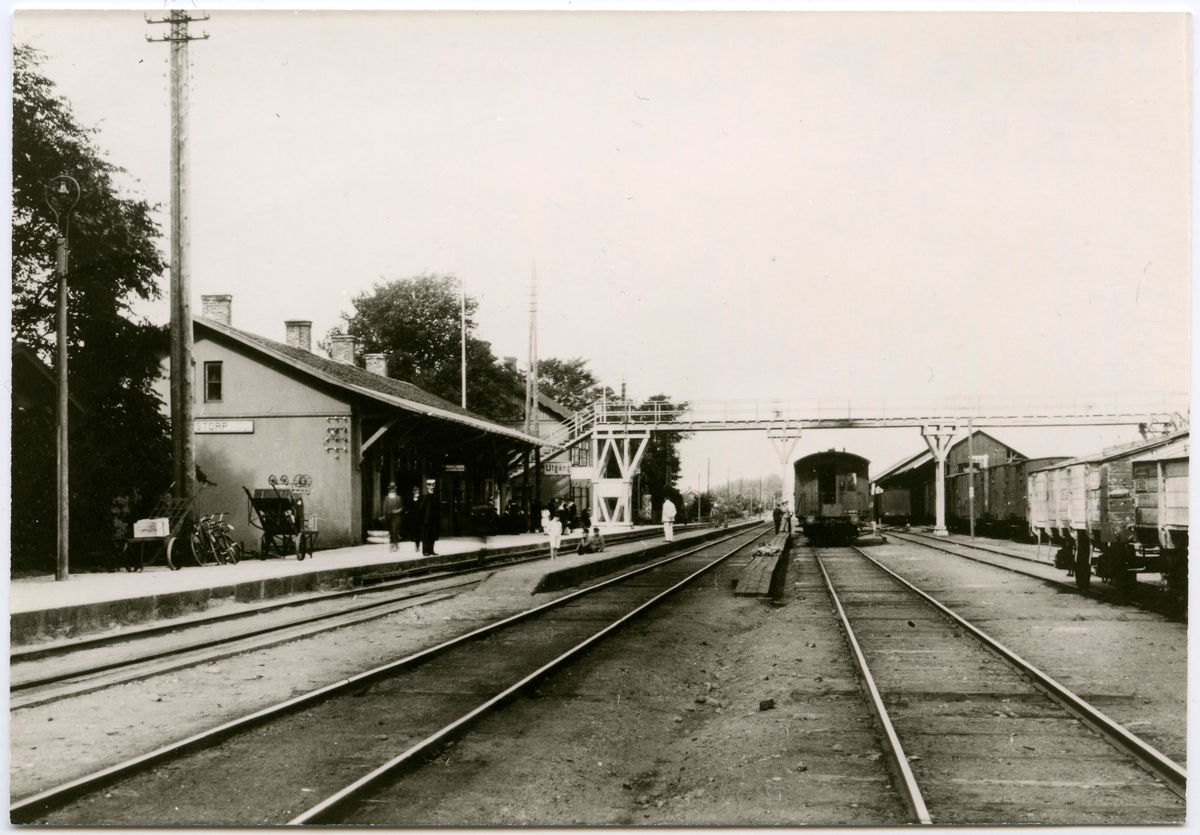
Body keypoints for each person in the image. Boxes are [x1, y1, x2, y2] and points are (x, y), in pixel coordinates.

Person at [420, 478, 440, 556]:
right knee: (426, 536)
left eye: (433, 485)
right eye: (430, 485)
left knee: (432, 536)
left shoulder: (435, 496)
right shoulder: (425, 496)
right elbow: (421, 508)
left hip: (434, 519)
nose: (432, 486)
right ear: (427, 486)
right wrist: (423, 519)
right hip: (427, 520)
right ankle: (425, 551)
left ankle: (431, 550)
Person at [383, 482, 404, 551]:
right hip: (389, 517)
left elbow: (402, 508)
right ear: (389, 489)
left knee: (394, 530)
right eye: (391, 488)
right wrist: (385, 516)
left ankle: (393, 546)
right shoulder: (387, 498)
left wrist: (397, 511)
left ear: (395, 488)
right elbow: (384, 508)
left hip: (396, 517)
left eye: (393, 488)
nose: (392, 490)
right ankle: (396, 545)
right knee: (392, 532)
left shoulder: (398, 498)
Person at [404, 486, 423, 551]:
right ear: (412, 492)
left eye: (416, 490)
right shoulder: (410, 499)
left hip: (419, 518)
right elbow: (408, 508)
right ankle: (415, 542)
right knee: (413, 532)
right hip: (412, 519)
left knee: (418, 532)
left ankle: (417, 546)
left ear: (419, 491)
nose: (415, 491)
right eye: (414, 490)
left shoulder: (421, 499)